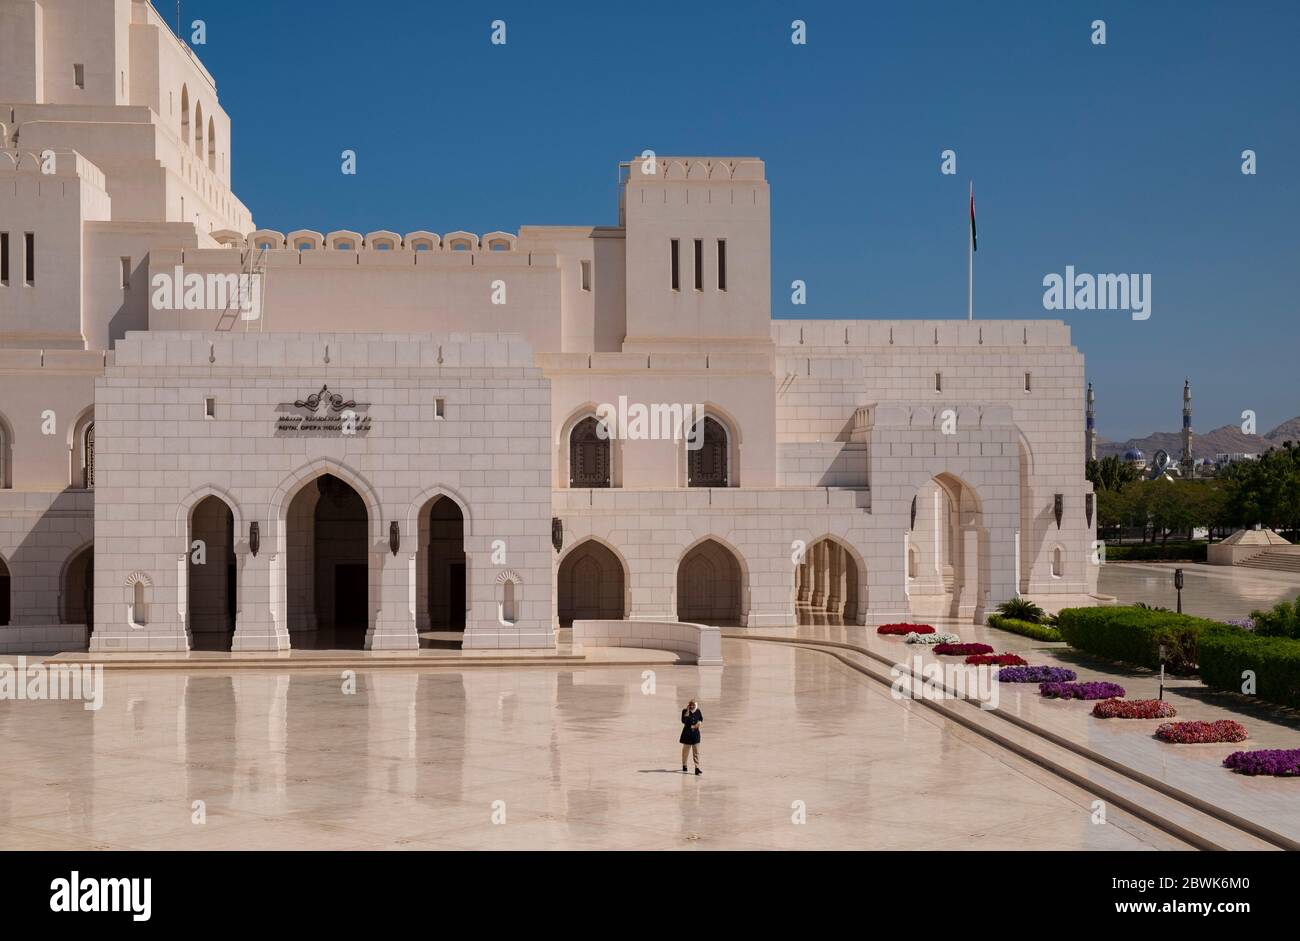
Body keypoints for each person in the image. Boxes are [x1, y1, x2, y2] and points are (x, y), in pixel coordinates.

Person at [679, 699, 703, 775]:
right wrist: (687, 711)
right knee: (685, 752)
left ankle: (697, 768)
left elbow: (701, 719)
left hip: (695, 735)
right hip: (687, 734)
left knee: (696, 753)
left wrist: (699, 723)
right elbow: (683, 721)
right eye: (690, 705)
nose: (692, 706)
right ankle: (684, 764)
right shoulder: (684, 711)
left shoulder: (698, 711)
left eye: (693, 705)